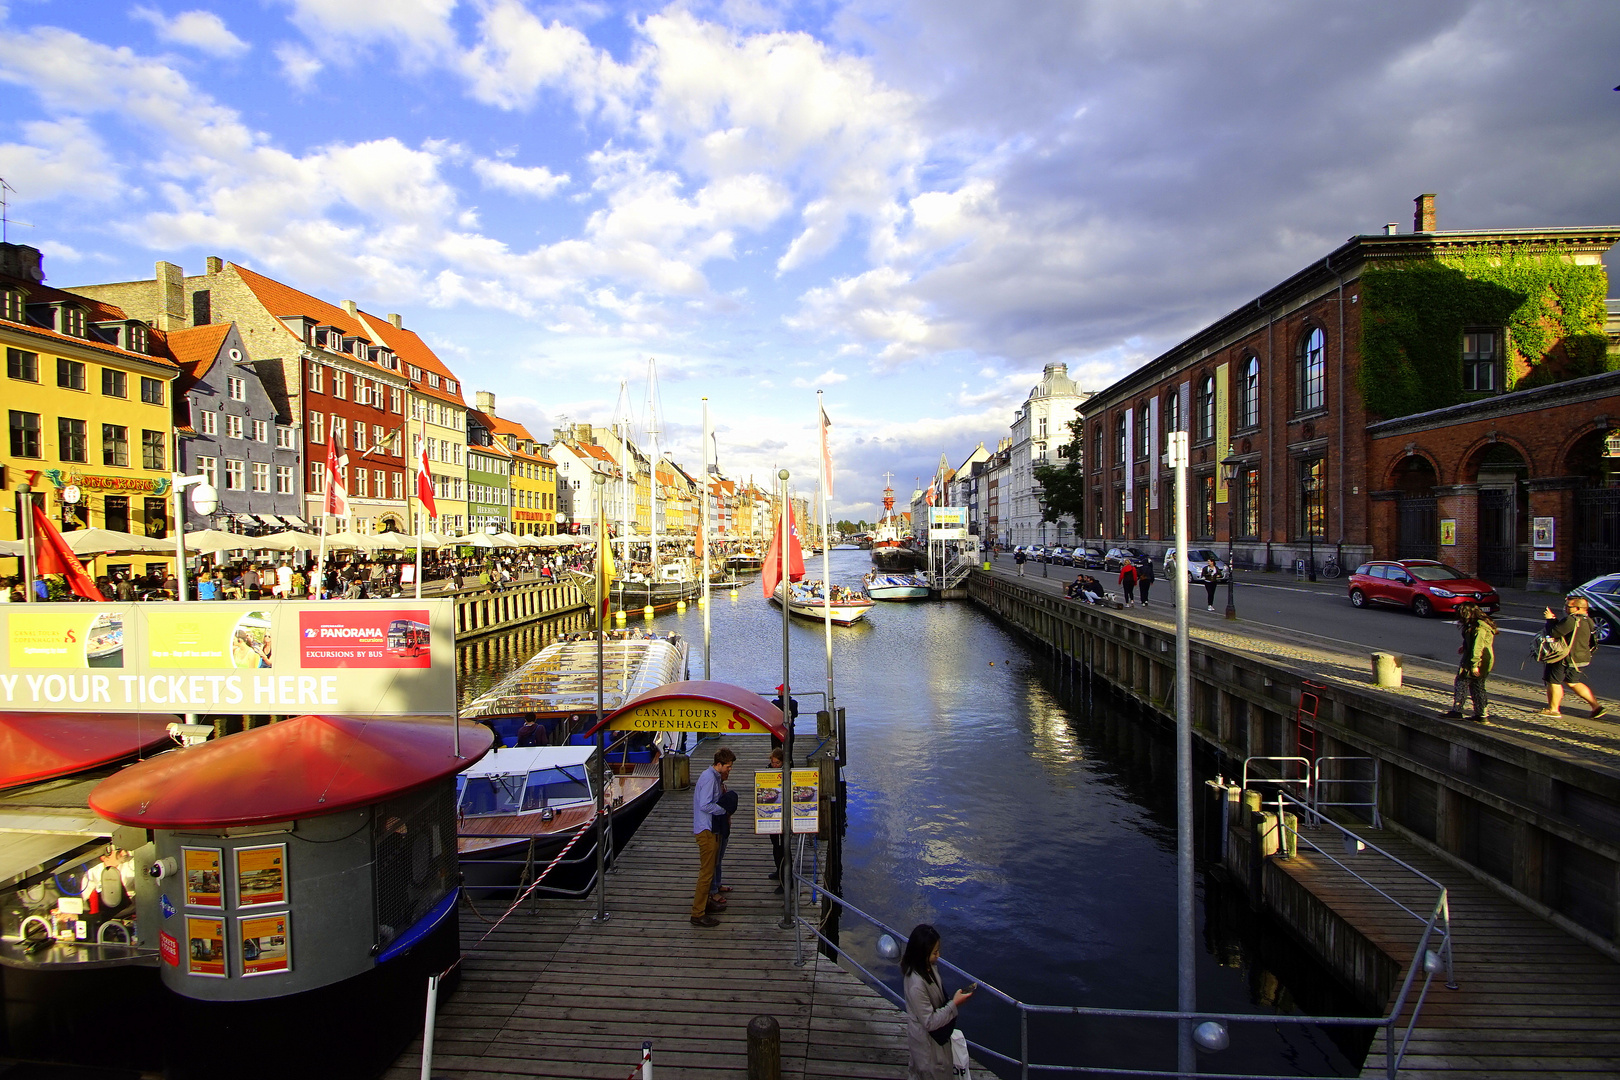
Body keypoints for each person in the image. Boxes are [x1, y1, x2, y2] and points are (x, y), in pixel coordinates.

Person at [901, 924, 973, 1080]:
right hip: (928, 1046)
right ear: (922, 954)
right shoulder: (916, 985)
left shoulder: (929, 967)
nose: (938, 956)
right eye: (934, 953)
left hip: (935, 1041)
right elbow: (929, 1022)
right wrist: (954, 1004)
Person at [690, 747, 735, 927]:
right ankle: (697, 913)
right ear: (719, 764)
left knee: (711, 867)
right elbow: (705, 805)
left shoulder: (714, 777)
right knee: (706, 873)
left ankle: (707, 901)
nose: (730, 769)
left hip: (711, 829)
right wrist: (723, 811)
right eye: (728, 766)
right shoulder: (709, 779)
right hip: (706, 830)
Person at [1539, 595, 1604, 719]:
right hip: (1582, 658)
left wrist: (1550, 620)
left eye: (1568, 606)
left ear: (1578, 608)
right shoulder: (1588, 620)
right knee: (1573, 682)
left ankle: (1553, 710)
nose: (1565, 608)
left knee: (1553, 682)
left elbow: (1553, 633)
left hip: (1564, 657)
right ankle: (1596, 706)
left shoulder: (1571, 620)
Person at [1442, 602, 1496, 721]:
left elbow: (1478, 647)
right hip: (1482, 660)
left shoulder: (1479, 628)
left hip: (1476, 661)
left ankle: (1457, 711)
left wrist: (1474, 665)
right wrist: (1464, 646)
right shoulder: (1478, 625)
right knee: (1477, 686)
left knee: (1462, 683)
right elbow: (1474, 643)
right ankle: (1481, 714)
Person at [766, 746, 786, 892]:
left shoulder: (786, 774)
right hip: (771, 814)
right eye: (773, 763)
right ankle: (778, 870)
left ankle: (785, 880)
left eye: (777, 763)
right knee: (775, 846)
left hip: (782, 815)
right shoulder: (767, 772)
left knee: (782, 849)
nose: (774, 765)